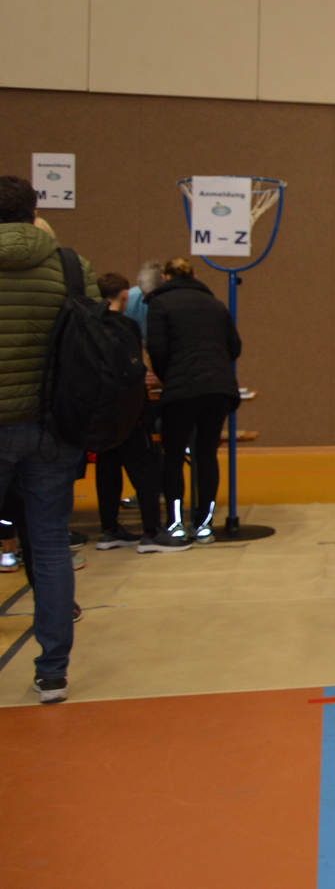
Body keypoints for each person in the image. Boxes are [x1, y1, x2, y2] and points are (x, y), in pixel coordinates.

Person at [0, 174, 98, 702]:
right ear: (33, 212)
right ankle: (52, 672)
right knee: (51, 546)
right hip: (53, 427)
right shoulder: (70, 266)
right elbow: (94, 338)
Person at [146, 256, 242, 544]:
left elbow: (157, 349)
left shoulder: (159, 304)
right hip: (218, 388)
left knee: (174, 456)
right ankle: (204, 525)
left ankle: (176, 524)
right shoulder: (215, 304)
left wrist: (169, 376)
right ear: (194, 276)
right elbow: (234, 346)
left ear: (165, 277)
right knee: (206, 455)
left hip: (181, 391)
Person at [92, 273, 186, 553]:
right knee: (145, 471)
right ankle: (152, 532)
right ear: (124, 295)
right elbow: (134, 366)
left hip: (101, 409)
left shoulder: (90, 325)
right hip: (129, 410)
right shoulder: (126, 326)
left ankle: (109, 530)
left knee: (107, 470)